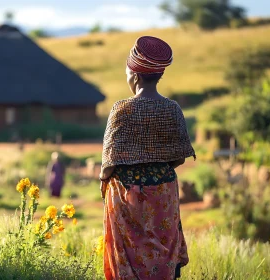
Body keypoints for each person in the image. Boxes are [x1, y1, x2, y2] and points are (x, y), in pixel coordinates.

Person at [99, 36, 196, 279]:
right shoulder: (172, 108)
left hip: (127, 195)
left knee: (129, 256)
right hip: (164, 192)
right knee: (161, 250)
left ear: (135, 75)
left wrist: (103, 180)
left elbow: (109, 163)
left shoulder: (122, 108)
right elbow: (179, 157)